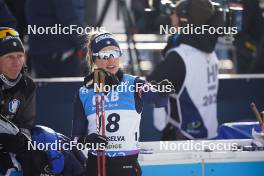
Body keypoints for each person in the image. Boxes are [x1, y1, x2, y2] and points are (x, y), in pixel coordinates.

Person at [72, 32, 175, 176]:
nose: (111, 59)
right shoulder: (84, 92)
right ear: (95, 59)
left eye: (115, 53)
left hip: (127, 166)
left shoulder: (135, 83)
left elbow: (157, 100)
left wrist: (163, 92)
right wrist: (86, 141)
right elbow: (76, 140)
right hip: (96, 167)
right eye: (104, 55)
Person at [148, 0, 222, 140]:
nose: (171, 17)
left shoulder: (180, 57)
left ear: (184, 19)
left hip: (182, 138)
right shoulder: (210, 51)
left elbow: (150, 85)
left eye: (175, 14)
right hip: (209, 135)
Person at [0, 27, 36, 175]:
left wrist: (22, 138)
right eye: (9, 57)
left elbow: (26, 123)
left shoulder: (27, 85)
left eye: (20, 56)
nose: (16, 62)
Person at [25, 0, 88, 78]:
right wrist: (91, 44)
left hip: (45, 50)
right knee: (65, 88)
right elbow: (72, 20)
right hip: (59, 54)